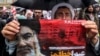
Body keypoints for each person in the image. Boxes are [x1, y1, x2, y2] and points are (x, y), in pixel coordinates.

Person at [1, 3, 100, 56]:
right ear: (53, 17)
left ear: (72, 17)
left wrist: (94, 41)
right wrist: (12, 41)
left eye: (67, 14)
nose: (64, 18)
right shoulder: (41, 44)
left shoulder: (82, 37)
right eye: (60, 14)